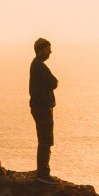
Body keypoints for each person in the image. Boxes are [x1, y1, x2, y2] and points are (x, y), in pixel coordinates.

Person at [29, 37, 57, 178]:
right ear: (40, 50)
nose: (50, 52)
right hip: (42, 108)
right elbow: (53, 82)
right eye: (48, 49)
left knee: (44, 140)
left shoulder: (37, 65)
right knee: (45, 140)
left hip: (39, 107)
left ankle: (43, 172)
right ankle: (43, 174)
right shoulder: (39, 66)